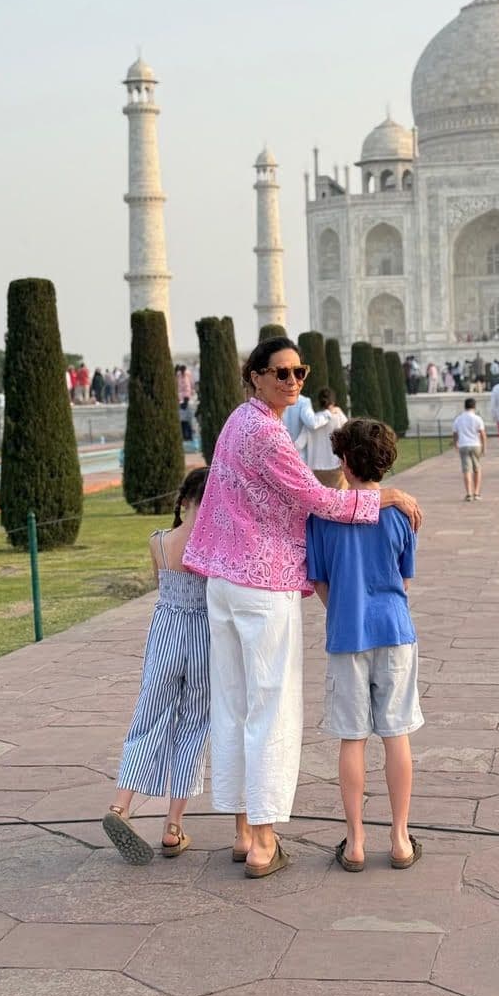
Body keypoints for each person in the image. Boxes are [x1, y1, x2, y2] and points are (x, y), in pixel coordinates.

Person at [182, 336, 422, 879]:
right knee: (269, 709)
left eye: (299, 371)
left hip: (223, 579)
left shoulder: (237, 422)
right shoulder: (266, 432)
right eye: (281, 373)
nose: (293, 381)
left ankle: (245, 831)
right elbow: (320, 501)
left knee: (237, 704)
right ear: (255, 377)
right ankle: (264, 843)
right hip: (260, 584)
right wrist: (385, 495)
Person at [306, 418, 423, 872]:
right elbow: (403, 579)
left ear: (346, 462)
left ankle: (355, 841)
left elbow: (318, 580)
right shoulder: (401, 512)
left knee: (352, 739)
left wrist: (343, 608)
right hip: (394, 629)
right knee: (397, 735)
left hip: (346, 633)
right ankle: (399, 838)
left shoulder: (324, 515)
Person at [103, 467, 211, 864]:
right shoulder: (212, 549)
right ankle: (173, 825)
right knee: (195, 726)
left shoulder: (159, 542)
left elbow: (161, 588)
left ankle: (121, 804)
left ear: (183, 502)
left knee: (148, 716)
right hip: (204, 636)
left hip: (166, 632)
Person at [295, 387, 348, 486]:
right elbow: (351, 435)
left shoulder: (312, 422)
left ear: (319, 403)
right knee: (339, 500)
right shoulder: (339, 417)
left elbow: (298, 445)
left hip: (315, 470)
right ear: (333, 402)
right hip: (336, 467)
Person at [282, 388, 332, 464]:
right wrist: (327, 413)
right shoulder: (303, 401)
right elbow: (312, 423)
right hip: (298, 455)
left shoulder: (275, 399)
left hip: (280, 451)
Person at [452, 396, 486, 501]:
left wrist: (455, 443)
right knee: (477, 469)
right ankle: (476, 492)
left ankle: (469, 493)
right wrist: (484, 447)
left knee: (466, 470)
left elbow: (455, 433)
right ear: (474, 406)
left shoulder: (459, 418)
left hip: (463, 444)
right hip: (475, 444)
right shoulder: (477, 418)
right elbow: (482, 434)